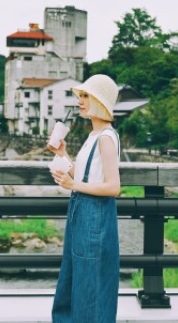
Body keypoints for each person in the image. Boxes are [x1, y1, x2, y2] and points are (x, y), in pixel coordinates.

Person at [47, 74, 121, 323]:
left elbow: (113, 187)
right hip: (83, 214)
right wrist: (63, 154)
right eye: (80, 96)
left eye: (86, 96)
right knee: (77, 277)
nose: (80, 101)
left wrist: (72, 184)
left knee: (91, 284)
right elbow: (84, 175)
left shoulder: (106, 138)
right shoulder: (93, 136)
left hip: (95, 216)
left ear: (101, 101)